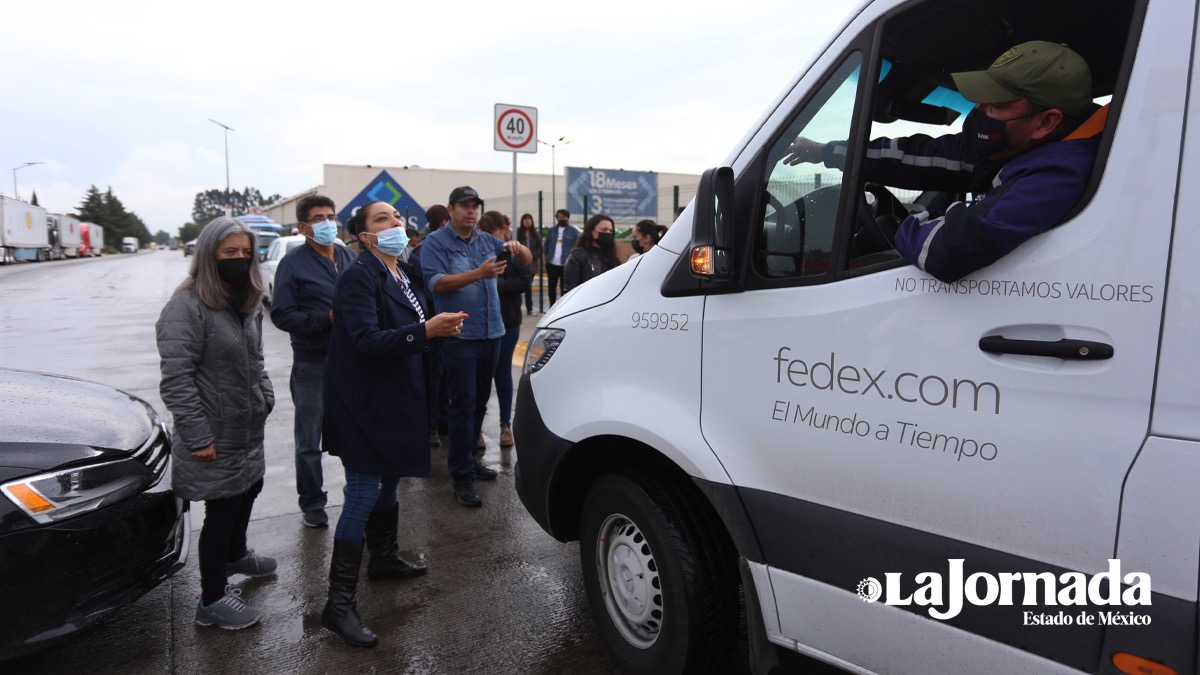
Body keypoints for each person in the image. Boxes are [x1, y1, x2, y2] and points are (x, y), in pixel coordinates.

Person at [784, 41, 1104, 283]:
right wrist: (828, 152)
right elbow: (925, 156)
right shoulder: (1015, 147)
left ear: (1046, 122)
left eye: (995, 105)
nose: (979, 111)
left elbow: (951, 248)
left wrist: (896, 226)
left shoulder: (1058, 172)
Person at [320, 200, 467, 647]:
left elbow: (414, 327)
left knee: (388, 484)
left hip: (395, 399)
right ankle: (338, 605)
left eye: (397, 217)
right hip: (364, 404)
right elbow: (364, 339)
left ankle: (382, 558)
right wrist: (426, 332)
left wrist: (436, 332)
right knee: (364, 492)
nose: (395, 224)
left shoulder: (404, 272)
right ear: (365, 237)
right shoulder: (358, 276)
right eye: (382, 220)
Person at [156, 216, 277, 631]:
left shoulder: (245, 301)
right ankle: (210, 600)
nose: (240, 261)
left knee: (250, 488)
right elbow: (177, 380)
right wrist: (198, 435)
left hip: (246, 426)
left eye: (246, 253)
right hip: (212, 432)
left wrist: (265, 397)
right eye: (230, 254)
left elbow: (255, 360)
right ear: (209, 255)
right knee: (222, 508)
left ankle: (236, 554)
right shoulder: (185, 307)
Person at [419, 186, 533, 507]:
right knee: (462, 406)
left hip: (491, 333)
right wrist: (478, 273)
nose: (471, 212)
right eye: (464, 206)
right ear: (450, 209)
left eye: (475, 207)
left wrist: (517, 247)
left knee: (480, 403)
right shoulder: (435, 243)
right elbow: (437, 283)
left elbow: (525, 260)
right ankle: (461, 477)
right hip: (459, 337)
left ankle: (470, 459)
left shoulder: (486, 240)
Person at [269, 194, 356, 529]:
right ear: (303, 226)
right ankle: (312, 502)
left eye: (331, 216)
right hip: (312, 364)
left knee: (351, 433)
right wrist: (325, 319)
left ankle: (357, 492)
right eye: (319, 218)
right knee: (309, 440)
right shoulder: (293, 263)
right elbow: (281, 313)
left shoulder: (348, 256)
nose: (327, 223)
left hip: (349, 363)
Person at [479, 210, 532, 448]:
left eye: (494, 231)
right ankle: (476, 428)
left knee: (502, 372)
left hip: (508, 319)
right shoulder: (479, 249)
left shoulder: (514, 251)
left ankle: (505, 425)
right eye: (486, 232)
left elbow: (524, 280)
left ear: (504, 229)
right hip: (482, 320)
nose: (491, 236)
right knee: (479, 376)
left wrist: (495, 282)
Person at [413, 203, 450, 449]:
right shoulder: (426, 248)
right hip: (434, 322)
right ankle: (432, 426)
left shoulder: (427, 246)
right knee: (434, 375)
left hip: (443, 321)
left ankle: (439, 422)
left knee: (442, 375)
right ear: (445, 223)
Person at [563, 213, 619, 293]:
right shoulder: (578, 255)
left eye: (611, 231)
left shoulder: (612, 258)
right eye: (604, 229)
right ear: (592, 232)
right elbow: (569, 290)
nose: (608, 233)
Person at [542, 209, 578, 306]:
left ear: (568, 218)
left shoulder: (574, 232)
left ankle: (562, 307)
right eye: (560, 217)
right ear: (557, 218)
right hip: (552, 263)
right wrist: (547, 258)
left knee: (564, 288)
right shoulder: (552, 231)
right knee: (551, 287)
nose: (562, 219)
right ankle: (551, 306)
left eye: (564, 217)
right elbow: (546, 245)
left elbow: (577, 246)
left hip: (566, 264)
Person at [515, 213, 542, 314]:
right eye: (525, 219)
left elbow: (540, 248)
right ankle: (519, 308)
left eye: (529, 219)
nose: (527, 221)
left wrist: (531, 256)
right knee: (518, 286)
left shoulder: (536, 234)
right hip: (520, 263)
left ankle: (529, 308)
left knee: (528, 286)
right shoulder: (518, 233)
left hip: (532, 264)